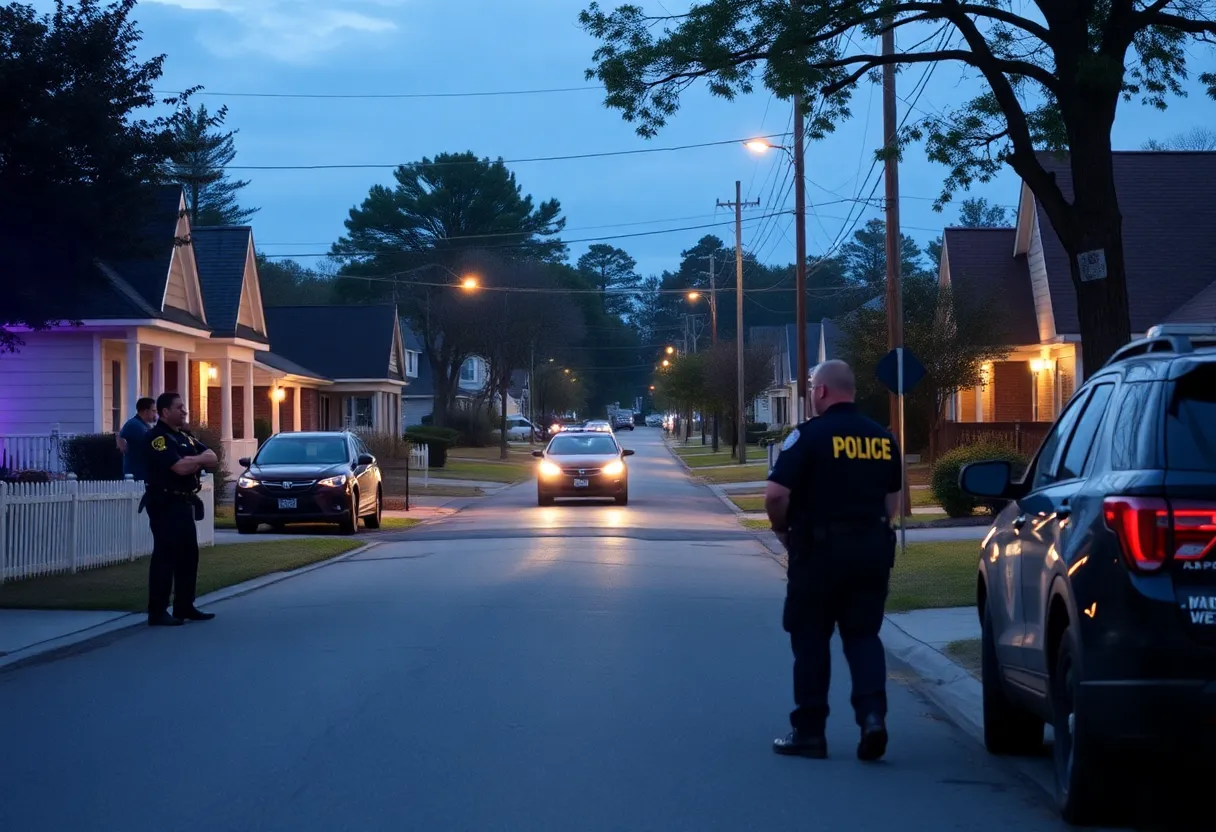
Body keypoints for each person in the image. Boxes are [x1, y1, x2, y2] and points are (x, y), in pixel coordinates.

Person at [764, 359, 902, 762]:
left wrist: (782, 530)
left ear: (822, 391)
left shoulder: (808, 436)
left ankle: (809, 732)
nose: (809, 392)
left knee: (810, 639)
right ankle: (873, 717)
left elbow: (775, 495)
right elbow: (891, 500)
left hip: (819, 554)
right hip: (871, 552)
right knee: (863, 636)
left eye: (811, 387)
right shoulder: (881, 438)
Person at [142, 392, 219, 627]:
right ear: (165, 412)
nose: (184, 411)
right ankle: (157, 611)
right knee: (166, 557)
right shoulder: (158, 439)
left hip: (184, 502)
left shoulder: (185, 438)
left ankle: (184, 605)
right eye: (180, 408)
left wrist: (191, 459)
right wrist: (196, 460)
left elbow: (213, 457)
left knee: (188, 556)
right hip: (164, 503)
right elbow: (179, 468)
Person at [116, 397, 156, 481]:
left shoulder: (143, 425)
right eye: (153, 411)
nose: (155, 414)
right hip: (135, 474)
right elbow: (151, 445)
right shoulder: (135, 425)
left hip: (142, 472)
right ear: (146, 411)